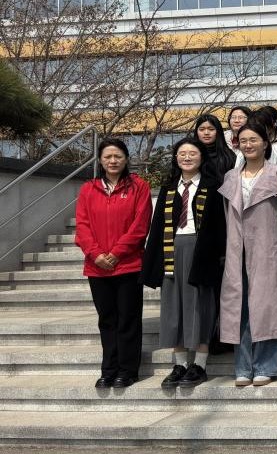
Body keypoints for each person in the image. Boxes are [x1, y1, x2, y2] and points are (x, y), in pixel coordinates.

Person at [142, 137, 226, 390]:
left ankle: (199, 364)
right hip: (172, 250)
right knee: (173, 307)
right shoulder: (168, 188)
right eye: (182, 153)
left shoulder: (213, 186)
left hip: (200, 251)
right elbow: (157, 227)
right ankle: (179, 364)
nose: (187, 157)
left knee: (201, 306)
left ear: (202, 157)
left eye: (192, 153)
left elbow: (220, 227)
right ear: (176, 158)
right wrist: (152, 262)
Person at [219, 122, 277, 387]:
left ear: (265, 143)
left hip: (269, 249)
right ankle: (243, 367)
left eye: (253, 139)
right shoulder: (231, 177)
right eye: (243, 140)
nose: (248, 144)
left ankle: (266, 365)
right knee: (239, 308)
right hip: (237, 250)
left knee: (267, 307)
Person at [75, 139, 152, 389]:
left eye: (118, 156)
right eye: (107, 156)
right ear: (100, 160)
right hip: (97, 267)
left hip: (128, 264)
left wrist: (117, 253)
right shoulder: (88, 189)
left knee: (128, 318)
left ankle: (128, 370)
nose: (113, 161)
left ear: (126, 158)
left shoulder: (139, 187)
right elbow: (82, 225)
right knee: (107, 319)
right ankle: (108, 369)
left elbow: (140, 226)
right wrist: (95, 254)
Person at [192, 114, 236, 181]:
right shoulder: (189, 155)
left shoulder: (229, 156)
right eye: (202, 129)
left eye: (211, 129)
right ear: (196, 132)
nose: (206, 133)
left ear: (218, 131)